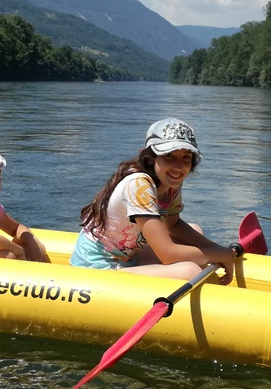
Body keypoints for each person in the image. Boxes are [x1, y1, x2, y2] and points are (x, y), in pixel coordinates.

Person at [70, 118, 241, 282]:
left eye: (186, 157)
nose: (179, 166)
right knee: (190, 271)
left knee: (196, 230)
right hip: (97, 266)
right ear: (151, 158)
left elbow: (173, 225)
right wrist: (221, 255)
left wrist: (219, 249)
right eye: (169, 156)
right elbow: (167, 254)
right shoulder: (139, 185)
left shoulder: (170, 184)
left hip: (129, 258)